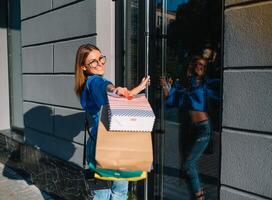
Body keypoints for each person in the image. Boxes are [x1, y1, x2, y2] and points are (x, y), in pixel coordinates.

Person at [74, 44, 150, 200]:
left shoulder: (89, 83)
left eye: (101, 58)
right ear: (83, 67)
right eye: (93, 62)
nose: (100, 63)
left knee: (115, 193)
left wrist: (138, 88)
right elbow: (105, 87)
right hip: (105, 147)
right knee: (110, 195)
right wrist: (114, 89)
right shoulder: (93, 81)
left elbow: (122, 97)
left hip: (109, 144)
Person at [161, 55, 219, 200]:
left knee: (189, 164)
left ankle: (200, 195)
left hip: (204, 129)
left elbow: (221, 91)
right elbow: (174, 100)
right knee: (186, 165)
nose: (201, 67)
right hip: (191, 129)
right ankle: (196, 193)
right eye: (199, 64)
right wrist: (166, 88)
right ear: (193, 66)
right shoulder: (188, 84)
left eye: (204, 66)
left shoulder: (207, 84)